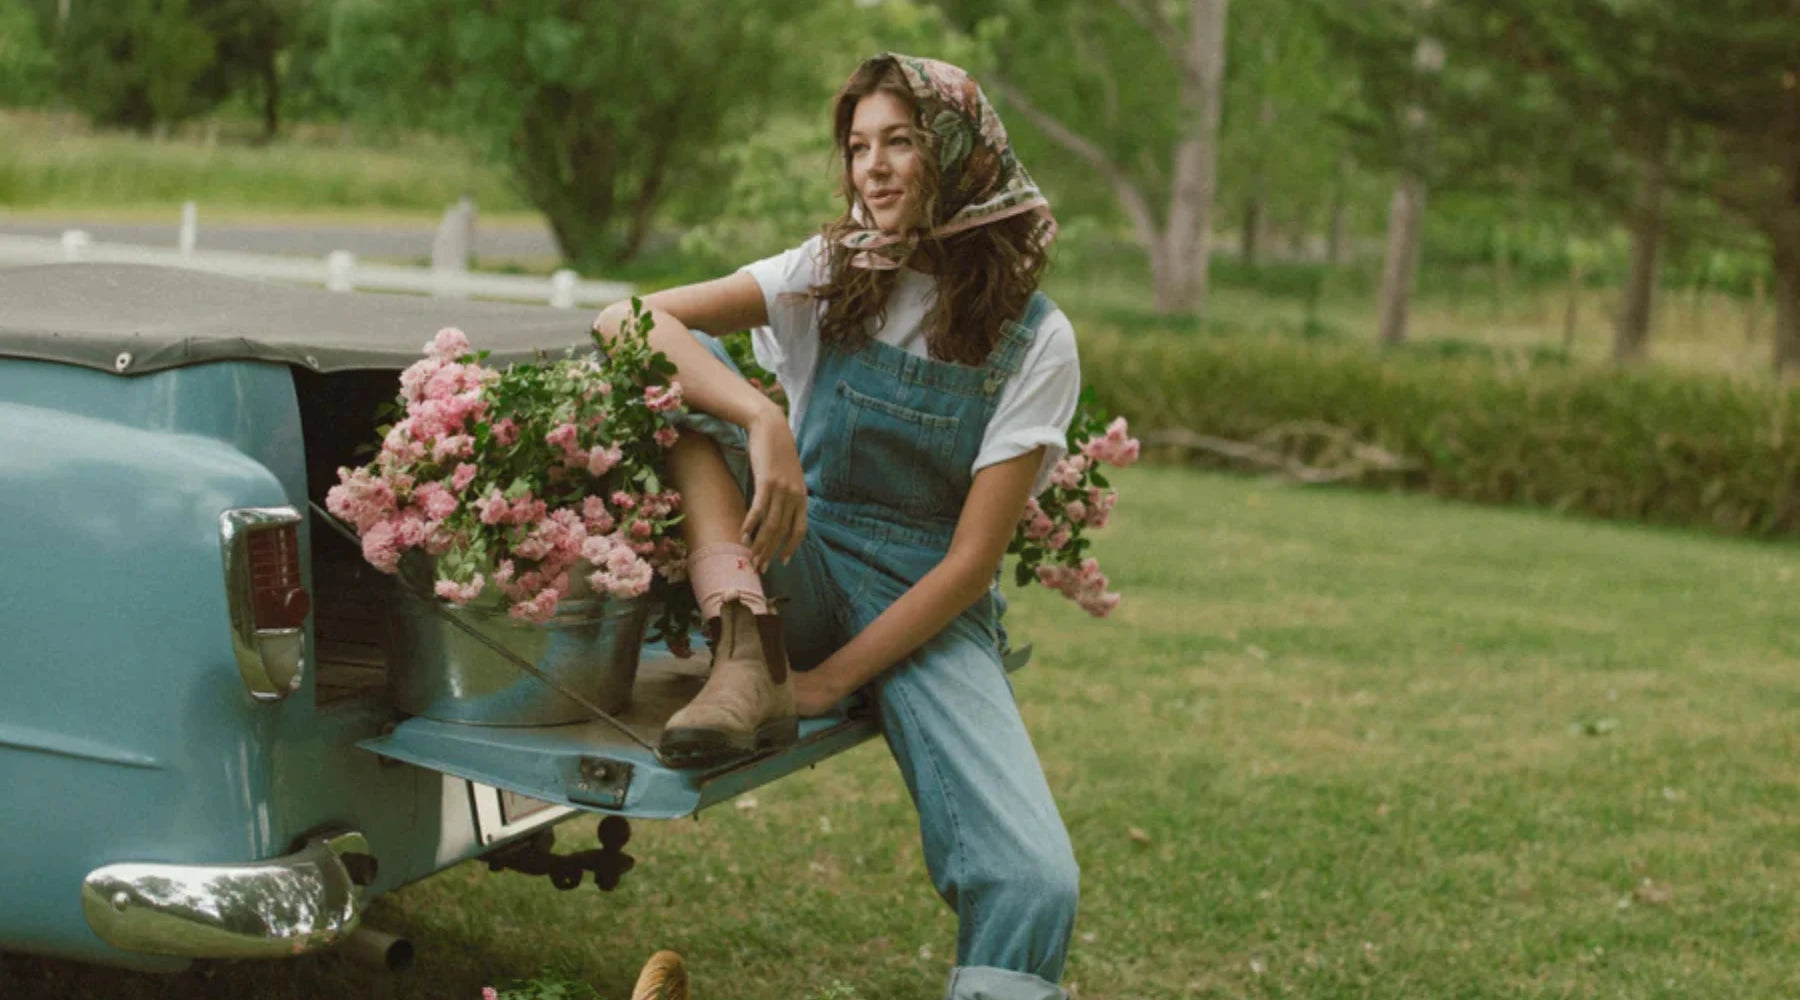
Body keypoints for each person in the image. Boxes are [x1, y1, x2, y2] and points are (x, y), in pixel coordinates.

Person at [592, 52, 1081, 1000]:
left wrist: (827, 683)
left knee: (1035, 879)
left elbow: (972, 563)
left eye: (902, 141)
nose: (875, 168)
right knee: (682, 395)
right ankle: (743, 649)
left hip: (927, 601)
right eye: (859, 147)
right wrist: (760, 417)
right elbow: (628, 319)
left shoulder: (1034, 336)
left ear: (960, 153)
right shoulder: (830, 271)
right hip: (793, 564)